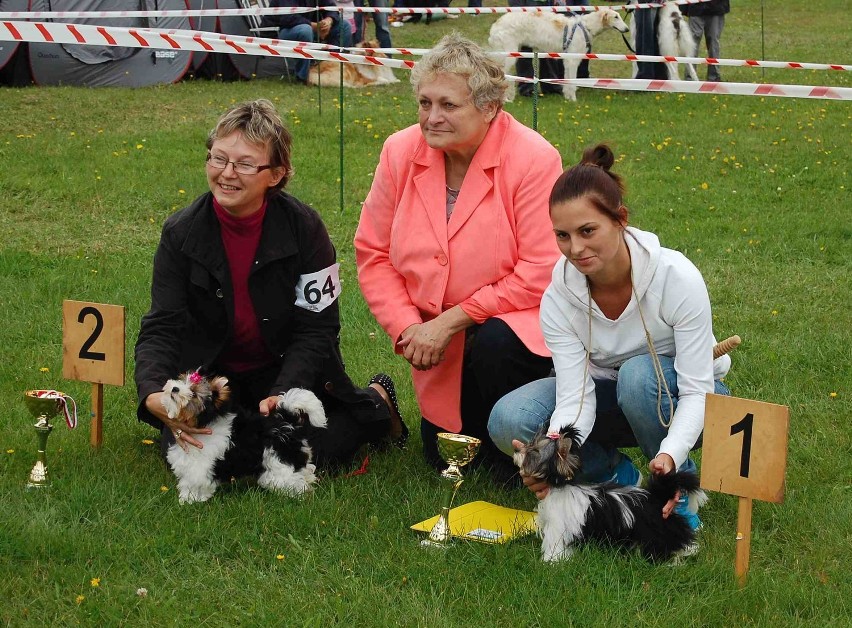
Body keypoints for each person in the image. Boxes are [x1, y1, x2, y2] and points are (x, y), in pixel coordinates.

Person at [135, 99, 406, 469]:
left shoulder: (306, 228)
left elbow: (318, 328)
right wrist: (152, 392)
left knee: (310, 456)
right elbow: (162, 325)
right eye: (218, 158)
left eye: (245, 164)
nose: (227, 173)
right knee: (198, 459)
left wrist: (284, 391)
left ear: (276, 174)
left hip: (286, 371)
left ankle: (375, 402)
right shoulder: (180, 232)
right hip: (215, 381)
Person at [488, 144, 732, 529]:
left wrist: (670, 453)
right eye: (563, 236)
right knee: (510, 418)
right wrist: (554, 451)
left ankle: (675, 488)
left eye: (588, 231)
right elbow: (574, 396)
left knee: (638, 376)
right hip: (606, 396)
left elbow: (697, 387)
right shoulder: (558, 298)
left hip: (685, 399)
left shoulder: (677, 277)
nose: (576, 249)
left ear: (620, 219)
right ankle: (619, 482)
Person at [354, 34, 563, 480]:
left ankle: (539, 421)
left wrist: (450, 322)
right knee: (442, 456)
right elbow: (372, 253)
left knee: (495, 343)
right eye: (425, 103)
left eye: (448, 105)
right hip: (435, 343)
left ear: (489, 108)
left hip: (515, 334)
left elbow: (539, 272)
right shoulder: (398, 150)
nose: (432, 117)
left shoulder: (533, 158)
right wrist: (409, 329)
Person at [262, 0, 352, 84]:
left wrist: (328, 21)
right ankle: (303, 76)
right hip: (280, 31)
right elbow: (288, 18)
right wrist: (315, 26)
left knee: (344, 26)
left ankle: (330, 68)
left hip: (309, 27)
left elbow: (331, 6)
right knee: (305, 30)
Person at [683, 0, 730, 82]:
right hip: (695, 8)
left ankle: (714, 76)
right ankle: (689, 76)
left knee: (713, 41)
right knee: (692, 42)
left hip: (716, 8)